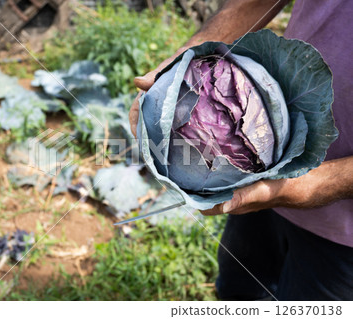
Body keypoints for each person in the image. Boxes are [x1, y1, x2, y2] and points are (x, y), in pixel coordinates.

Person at [129, 0, 353, 300]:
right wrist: (184, 57)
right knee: (240, 288)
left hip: (346, 237)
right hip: (255, 186)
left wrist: (322, 182)